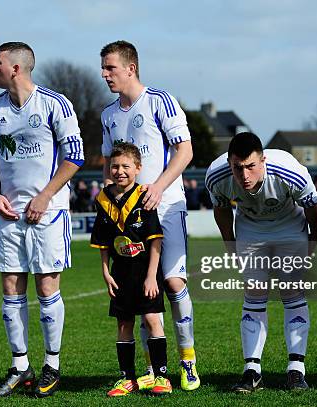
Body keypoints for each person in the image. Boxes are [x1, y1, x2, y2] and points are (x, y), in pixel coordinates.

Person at [0, 42, 84, 398]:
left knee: (46, 287)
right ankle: (20, 366)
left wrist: (44, 197)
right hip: (8, 214)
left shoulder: (55, 104)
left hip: (49, 212)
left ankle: (52, 366)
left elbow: (74, 157)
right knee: (11, 287)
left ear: (15, 68)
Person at [100, 40, 199, 391]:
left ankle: (188, 359)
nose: (105, 74)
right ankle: (153, 369)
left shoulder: (159, 101)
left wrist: (156, 186)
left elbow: (185, 150)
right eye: (104, 68)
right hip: (128, 218)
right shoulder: (108, 115)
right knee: (138, 291)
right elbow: (107, 167)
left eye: (110, 67)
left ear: (131, 68)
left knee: (172, 283)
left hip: (167, 204)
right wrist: (108, 204)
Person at [205, 132, 317, 392]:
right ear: (228, 162)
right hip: (251, 228)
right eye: (237, 168)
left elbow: (312, 208)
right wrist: (230, 243)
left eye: (250, 167)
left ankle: (296, 370)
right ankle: (252, 370)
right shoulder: (217, 176)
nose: (244, 175)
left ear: (263, 160)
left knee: (291, 291)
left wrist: (312, 243)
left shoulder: (290, 171)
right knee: (255, 292)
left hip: (289, 226)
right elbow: (221, 208)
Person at [91, 143, 172, 396]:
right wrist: (105, 272)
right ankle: (127, 379)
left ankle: (161, 377)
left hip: (145, 270)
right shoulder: (102, 200)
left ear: (137, 168)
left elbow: (156, 240)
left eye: (126, 166)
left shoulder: (145, 197)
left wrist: (151, 277)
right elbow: (103, 242)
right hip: (120, 272)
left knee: (151, 319)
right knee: (124, 323)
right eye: (115, 166)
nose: (119, 171)